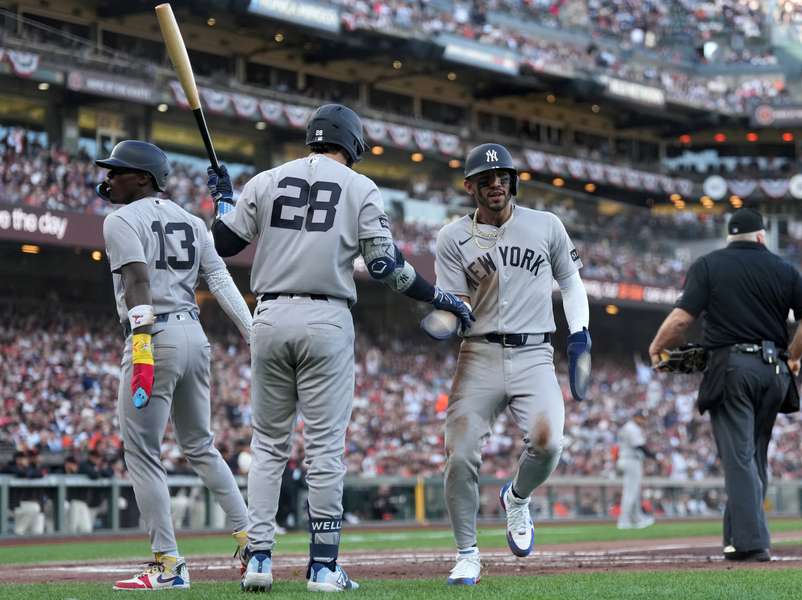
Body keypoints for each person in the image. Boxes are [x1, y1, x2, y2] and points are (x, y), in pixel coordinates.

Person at [209, 103, 474, 593]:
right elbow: (384, 268)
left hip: (267, 314)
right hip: (326, 316)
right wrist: (439, 296)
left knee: (268, 445)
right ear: (351, 144)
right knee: (325, 449)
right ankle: (323, 566)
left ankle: (260, 560)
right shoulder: (360, 186)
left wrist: (223, 202)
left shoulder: (267, 179)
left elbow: (223, 242)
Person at [97, 140, 252, 591]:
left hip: (154, 335)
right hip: (193, 334)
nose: (108, 179)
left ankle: (167, 564)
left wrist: (142, 345)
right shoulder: (192, 219)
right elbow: (220, 277)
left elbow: (138, 279)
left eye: (117, 171)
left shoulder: (120, 219)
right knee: (201, 445)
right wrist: (251, 331)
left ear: (143, 177)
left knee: (143, 453)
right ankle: (251, 538)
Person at [433, 142, 591, 585]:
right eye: (486, 179)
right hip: (478, 352)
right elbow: (456, 302)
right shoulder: (452, 237)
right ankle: (467, 553)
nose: (496, 184)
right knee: (460, 455)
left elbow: (571, 282)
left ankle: (516, 497)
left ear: (513, 181)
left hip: (535, 352)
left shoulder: (546, 225)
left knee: (549, 443)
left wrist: (579, 331)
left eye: (503, 176)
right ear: (470, 187)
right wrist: (445, 316)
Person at [648, 208, 802, 562]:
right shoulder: (784, 269)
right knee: (754, 457)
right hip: (773, 372)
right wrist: (792, 356)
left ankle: (752, 542)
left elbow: (682, 318)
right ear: (761, 236)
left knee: (739, 458)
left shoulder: (709, 265)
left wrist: (657, 348)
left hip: (732, 369)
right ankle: (735, 539)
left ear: (729, 237)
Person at [616, 410, 656, 530]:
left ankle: (637, 518)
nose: (643, 420)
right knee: (630, 492)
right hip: (631, 460)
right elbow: (639, 445)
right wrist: (653, 456)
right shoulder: (631, 427)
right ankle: (623, 521)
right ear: (635, 417)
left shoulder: (630, 427)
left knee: (634, 492)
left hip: (627, 459)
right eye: (641, 418)